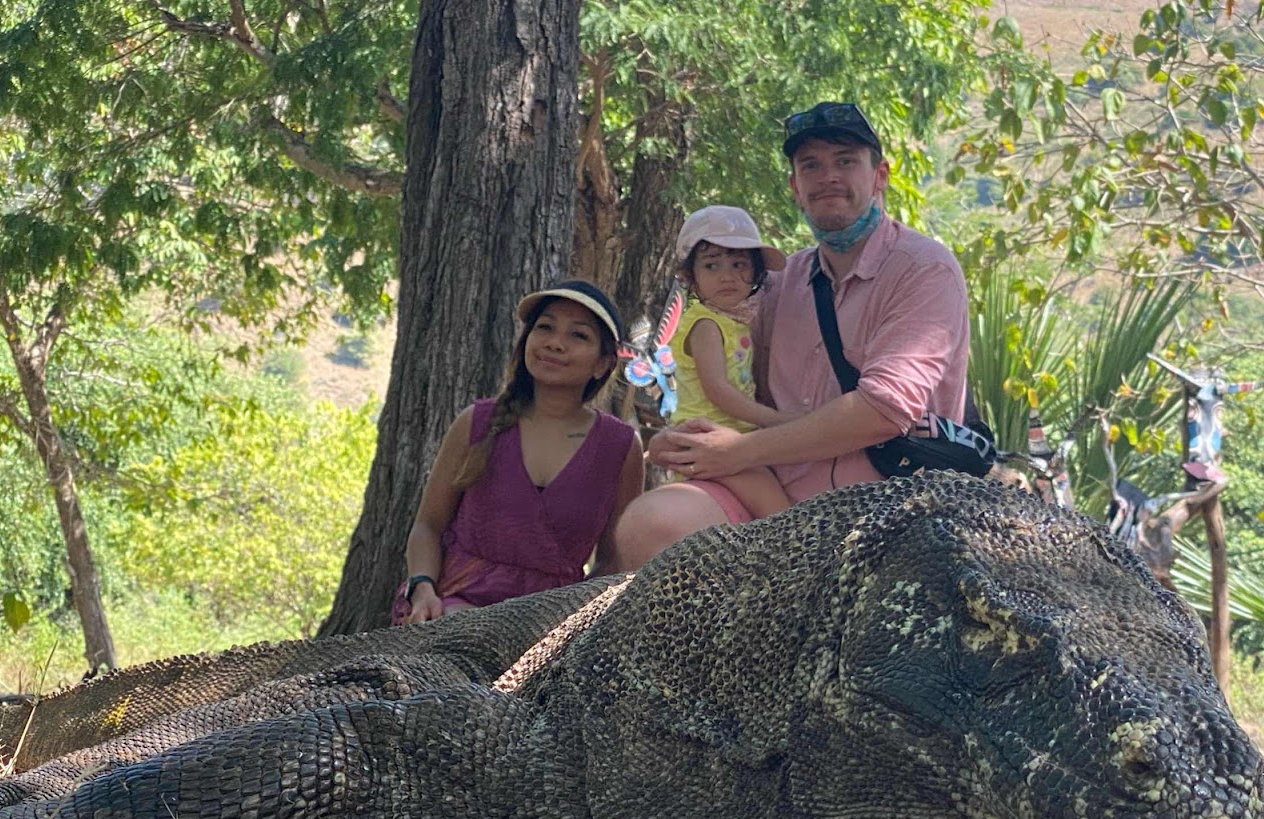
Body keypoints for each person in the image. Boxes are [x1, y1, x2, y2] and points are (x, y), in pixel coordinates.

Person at [612, 101, 969, 569]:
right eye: (811, 166)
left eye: (845, 161)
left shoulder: (924, 270)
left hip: (889, 508)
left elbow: (886, 409)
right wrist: (682, 440)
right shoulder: (777, 284)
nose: (828, 177)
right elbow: (730, 382)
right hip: (774, 496)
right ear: (795, 188)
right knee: (651, 523)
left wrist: (737, 452)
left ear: (879, 175)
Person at [395, 280, 643, 624]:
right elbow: (427, 526)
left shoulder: (621, 447)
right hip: (450, 609)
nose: (555, 343)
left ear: (602, 364)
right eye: (545, 327)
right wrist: (422, 587)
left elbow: (612, 562)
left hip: (549, 626)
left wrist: (573, 629)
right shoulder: (476, 423)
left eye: (578, 335)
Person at [663, 204, 792, 520]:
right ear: (689, 277)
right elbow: (718, 390)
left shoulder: (734, 321)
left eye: (739, 264)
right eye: (711, 265)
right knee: (781, 513)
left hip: (731, 436)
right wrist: (779, 421)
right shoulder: (705, 324)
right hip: (707, 437)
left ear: (756, 274)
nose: (727, 276)